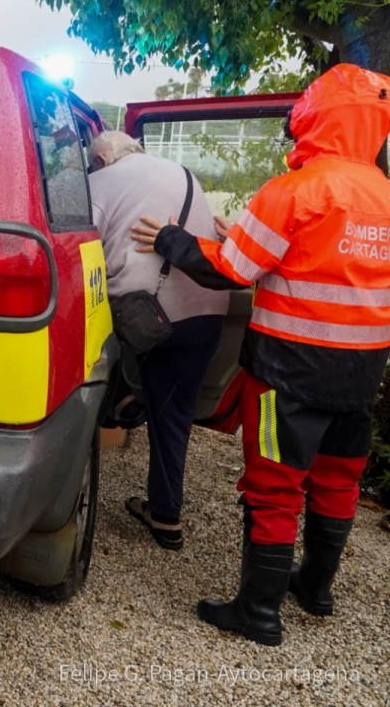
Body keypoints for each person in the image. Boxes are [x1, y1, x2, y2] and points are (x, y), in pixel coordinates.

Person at [132, 63, 390, 646]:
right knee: (336, 481)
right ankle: (316, 590)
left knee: (274, 486)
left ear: (315, 117)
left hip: (290, 373)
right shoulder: (384, 193)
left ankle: (258, 612)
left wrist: (174, 239)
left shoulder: (297, 189)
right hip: (361, 375)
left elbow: (233, 268)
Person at [87, 131, 229, 551]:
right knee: (176, 414)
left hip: (144, 317)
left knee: (101, 372)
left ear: (101, 159)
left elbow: (75, 245)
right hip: (207, 311)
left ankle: (119, 413)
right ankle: (166, 515)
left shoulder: (101, 180)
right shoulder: (184, 175)